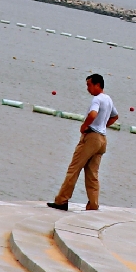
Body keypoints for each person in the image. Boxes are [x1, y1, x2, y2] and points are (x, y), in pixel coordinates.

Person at [48, 74, 118, 212]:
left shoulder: (97, 99)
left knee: (74, 169)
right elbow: (115, 116)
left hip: (91, 138)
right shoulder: (108, 99)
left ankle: (62, 200)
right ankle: (93, 205)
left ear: (98, 85)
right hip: (102, 139)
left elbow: (92, 114)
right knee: (93, 174)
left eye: (89, 85)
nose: (88, 88)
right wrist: (103, 126)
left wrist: (84, 126)